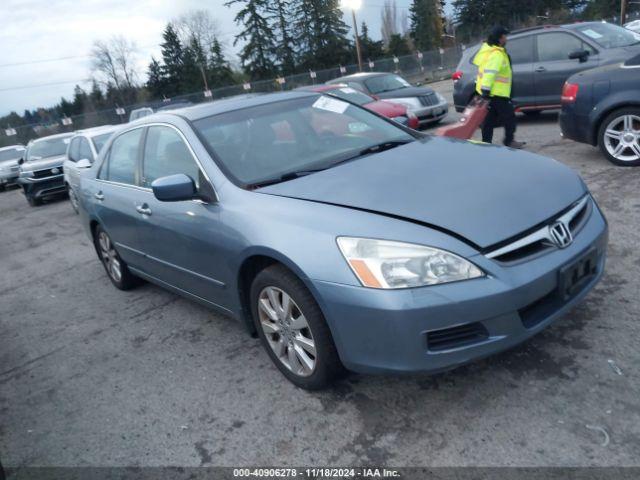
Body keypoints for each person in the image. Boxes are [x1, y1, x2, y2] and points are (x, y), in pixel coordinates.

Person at [473, 26, 526, 149]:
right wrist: (486, 89)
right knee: (510, 118)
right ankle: (509, 141)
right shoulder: (497, 54)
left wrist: (485, 92)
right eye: (505, 36)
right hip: (497, 94)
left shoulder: (490, 51)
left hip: (490, 93)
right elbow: (490, 72)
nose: (506, 38)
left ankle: (486, 143)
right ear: (500, 38)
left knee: (489, 120)